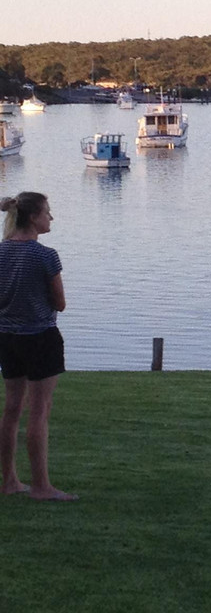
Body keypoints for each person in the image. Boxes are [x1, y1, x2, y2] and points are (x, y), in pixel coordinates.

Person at [0, 192, 77, 501]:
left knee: (12, 409)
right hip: (40, 337)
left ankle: (9, 481)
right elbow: (60, 303)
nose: (51, 218)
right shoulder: (46, 256)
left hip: (7, 337)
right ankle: (42, 486)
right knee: (39, 411)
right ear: (33, 217)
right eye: (47, 212)